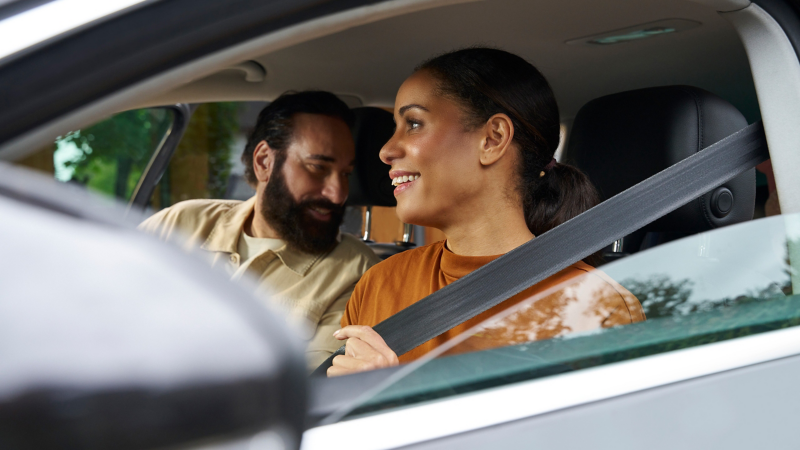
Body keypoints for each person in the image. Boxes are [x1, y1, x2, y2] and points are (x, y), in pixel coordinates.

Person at [327, 48, 645, 376]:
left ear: (492, 139)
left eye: (415, 124)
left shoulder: (596, 305)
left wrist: (387, 394)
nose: (386, 150)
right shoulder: (379, 284)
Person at [140, 91, 379, 370]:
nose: (338, 194)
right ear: (265, 161)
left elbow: (309, 390)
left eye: (346, 174)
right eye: (317, 167)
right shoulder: (177, 224)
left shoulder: (356, 272)